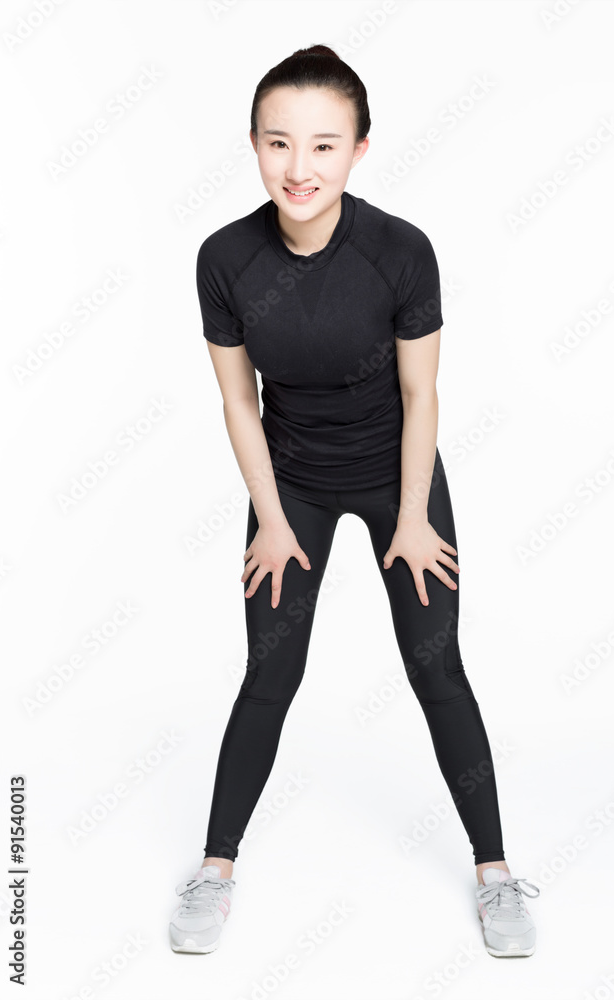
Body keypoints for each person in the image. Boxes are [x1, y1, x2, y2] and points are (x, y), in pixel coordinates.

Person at [169, 44, 540, 958]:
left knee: (435, 666)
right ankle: (213, 870)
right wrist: (270, 518)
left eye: (324, 145)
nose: (298, 168)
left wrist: (411, 518)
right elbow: (238, 403)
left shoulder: (399, 252)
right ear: (254, 145)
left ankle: (496, 875)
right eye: (278, 143)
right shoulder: (224, 258)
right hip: (289, 482)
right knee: (270, 672)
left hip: (394, 475)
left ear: (359, 150)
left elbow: (421, 395)